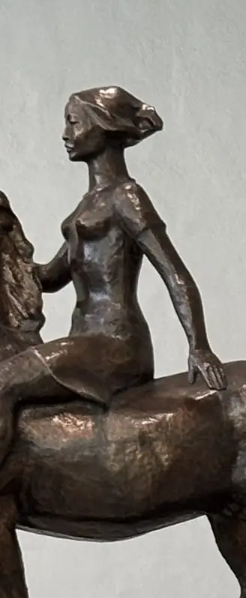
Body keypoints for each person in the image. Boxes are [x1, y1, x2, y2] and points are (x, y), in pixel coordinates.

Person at [0, 87, 226, 463]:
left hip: (115, 346)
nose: (65, 134)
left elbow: (174, 272)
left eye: (74, 122)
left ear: (103, 127)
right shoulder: (86, 206)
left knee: (3, 382)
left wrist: (199, 345)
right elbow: (49, 278)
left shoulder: (126, 198)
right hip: (82, 344)